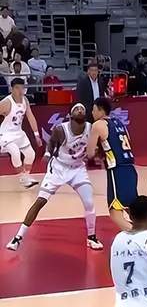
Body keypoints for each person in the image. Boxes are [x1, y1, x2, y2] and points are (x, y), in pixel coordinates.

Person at [6, 104, 103, 251]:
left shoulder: (91, 128)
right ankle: (18, 237)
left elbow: (97, 148)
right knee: (40, 201)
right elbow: (51, 143)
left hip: (77, 169)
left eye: (82, 109)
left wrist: (97, 155)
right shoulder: (61, 129)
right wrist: (47, 154)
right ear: (70, 115)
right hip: (58, 168)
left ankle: (91, 237)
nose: (80, 110)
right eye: (76, 109)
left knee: (89, 202)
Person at [87, 97, 138, 231]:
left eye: (93, 110)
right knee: (131, 209)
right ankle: (146, 230)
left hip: (117, 170)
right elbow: (127, 141)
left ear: (100, 110)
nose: (92, 113)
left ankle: (140, 236)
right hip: (131, 169)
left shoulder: (98, 125)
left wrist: (97, 151)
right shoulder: (120, 123)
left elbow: (89, 153)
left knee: (115, 213)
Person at [0, 78, 41, 188]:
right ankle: (23, 178)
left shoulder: (25, 100)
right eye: (17, 88)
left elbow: (30, 117)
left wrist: (36, 134)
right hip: (5, 134)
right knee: (15, 152)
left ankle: (26, 176)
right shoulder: (6, 103)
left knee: (31, 154)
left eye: (22, 88)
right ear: (12, 89)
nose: (20, 91)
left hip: (18, 133)